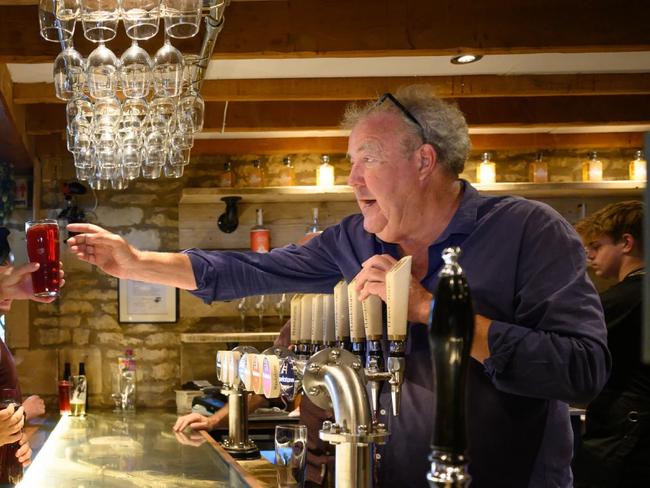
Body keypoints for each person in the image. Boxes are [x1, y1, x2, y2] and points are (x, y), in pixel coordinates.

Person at [67, 85, 609, 487]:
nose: (351, 179)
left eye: (366, 160)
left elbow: (582, 370)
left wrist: (431, 311)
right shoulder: (356, 239)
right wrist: (137, 263)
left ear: (424, 161)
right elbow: (253, 270)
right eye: (350, 162)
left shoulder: (528, 230)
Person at [573, 201, 650, 487]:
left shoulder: (624, 299)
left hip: (626, 436)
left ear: (626, 243)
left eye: (597, 245)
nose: (590, 255)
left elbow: (568, 351)